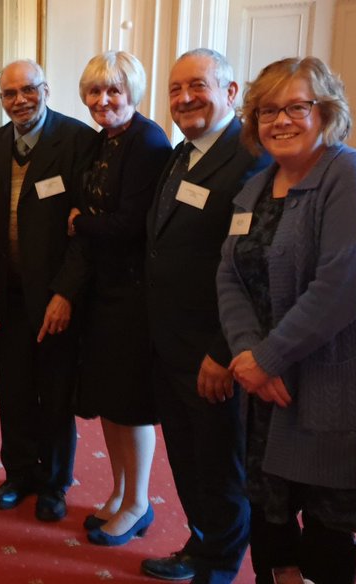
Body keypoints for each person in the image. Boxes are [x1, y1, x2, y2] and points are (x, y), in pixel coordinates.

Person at [217, 57, 356, 584]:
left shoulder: (354, 177)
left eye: (296, 107)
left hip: (337, 385)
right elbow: (230, 276)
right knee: (269, 517)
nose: (280, 120)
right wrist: (248, 354)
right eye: (267, 110)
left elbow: (341, 288)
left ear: (326, 112)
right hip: (267, 387)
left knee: (327, 531)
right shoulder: (256, 189)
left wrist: (267, 357)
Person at [142, 48, 270, 583]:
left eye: (197, 85)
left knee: (220, 466)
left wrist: (224, 351)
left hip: (213, 351)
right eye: (175, 89)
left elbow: (254, 270)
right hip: (170, 344)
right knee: (189, 459)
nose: (185, 98)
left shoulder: (251, 160)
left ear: (232, 93)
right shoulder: (180, 153)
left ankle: (218, 564)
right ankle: (200, 543)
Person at [0, 59, 97, 521]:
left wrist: (66, 292)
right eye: (9, 94)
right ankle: (18, 473)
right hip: (9, 293)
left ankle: (54, 483)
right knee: (12, 388)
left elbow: (86, 227)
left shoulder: (77, 141)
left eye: (27, 90)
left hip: (54, 296)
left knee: (54, 393)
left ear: (46, 88)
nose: (19, 101)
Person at [68, 50, 171, 546]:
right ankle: (117, 492)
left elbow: (131, 224)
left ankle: (138, 502)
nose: (102, 99)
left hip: (132, 293)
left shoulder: (148, 142)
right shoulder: (103, 140)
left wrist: (80, 223)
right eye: (94, 90)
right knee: (110, 399)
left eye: (113, 90)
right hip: (102, 288)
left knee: (131, 402)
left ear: (133, 92)